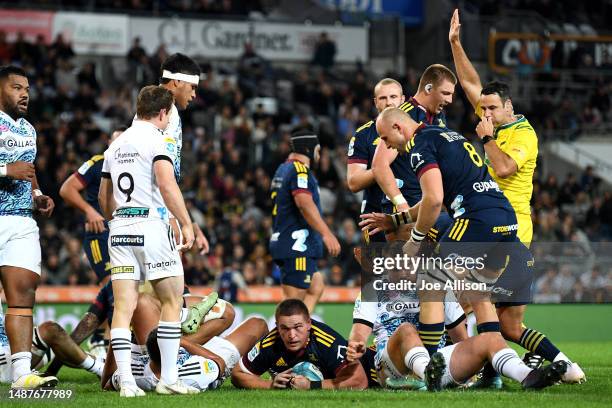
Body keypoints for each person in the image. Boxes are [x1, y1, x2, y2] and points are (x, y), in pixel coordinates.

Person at [449, 9, 584, 385]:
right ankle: (566, 366)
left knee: (462, 297)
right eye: (484, 109)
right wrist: (456, 44)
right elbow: (470, 83)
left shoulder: (523, 135)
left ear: (509, 108)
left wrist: (486, 139)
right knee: (510, 325)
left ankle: (479, 372)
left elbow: (506, 168)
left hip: (511, 229)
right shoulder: (494, 116)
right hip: (493, 225)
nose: (486, 113)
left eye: (493, 108)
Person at [374, 107, 519, 358]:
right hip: (504, 217)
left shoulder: (419, 146)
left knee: (430, 281)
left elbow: (433, 199)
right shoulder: (443, 134)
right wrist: (398, 219)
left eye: (386, 138)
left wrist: (415, 240)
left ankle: (430, 366)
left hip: (476, 219)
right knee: (478, 292)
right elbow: (436, 201)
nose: (387, 146)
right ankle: (493, 368)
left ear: (398, 128)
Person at [99, 85, 196, 397]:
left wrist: (120, 219)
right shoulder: (158, 139)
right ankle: (169, 377)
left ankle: (126, 381)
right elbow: (166, 184)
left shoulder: (115, 145)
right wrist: (186, 222)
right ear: (164, 112)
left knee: (123, 307)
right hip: (151, 227)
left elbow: (104, 198)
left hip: (120, 228)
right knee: (171, 299)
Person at [0, 65, 57, 389]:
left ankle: (21, 373)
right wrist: (6, 170)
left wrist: (37, 194)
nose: (24, 94)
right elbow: (15, 168)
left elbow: (29, 169)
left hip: (21, 219)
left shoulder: (28, 129)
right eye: (16, 88)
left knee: (22, 295)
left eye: (27, 89)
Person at [349, 316, 568, 392]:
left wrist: (473, 359)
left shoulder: (437, 282)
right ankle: (427, 375)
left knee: (490, 337)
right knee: (407, 329)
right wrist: (357, 343)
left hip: (436, 364)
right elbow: (359, 330)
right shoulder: (374, 286)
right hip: (394, 368)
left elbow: (461, 338)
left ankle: (528, 375)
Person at [371, 66, 456, 242]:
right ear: (429, 89)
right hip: (408, 206)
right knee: (406, 266)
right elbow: (379, 165)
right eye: (445, 93)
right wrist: (401, 204)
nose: (450, 100)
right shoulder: (402, 115)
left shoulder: (438, 116)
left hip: (427, 204)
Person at [269, 131, 340, 312]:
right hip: (297, 246)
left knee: (316, 286)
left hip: (285, 240)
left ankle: (301, 331)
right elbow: (304, 203)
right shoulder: (300, 170)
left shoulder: (282, 169)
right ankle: (283, 337)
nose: (319, 155)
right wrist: (327, 234)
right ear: (308, 149)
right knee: (292, 305)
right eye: (317, 150)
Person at [231, 299, 369, 390]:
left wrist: (312, 385)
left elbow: (359, 381)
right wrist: (269, 384)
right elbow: (238, 374)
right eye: (284, 328)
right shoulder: (270, 343)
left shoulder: (327, 341)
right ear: (277, 327)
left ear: (309, 323)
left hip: (373, 368)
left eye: (297, 327)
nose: (292, 335)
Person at [150, 53, 210, 257]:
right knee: (173, 289)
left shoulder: (154, 110)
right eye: (192, 87)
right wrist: (173, 218)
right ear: (176, 81)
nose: (194, 95)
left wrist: (190, 223)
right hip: (155, 215)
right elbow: (163, 180)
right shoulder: (165, 113)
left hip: (151, 213)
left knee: (144, 290)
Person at [59, 127, 127, 286]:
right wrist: (89, 211)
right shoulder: (97, 163)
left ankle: (96, 311)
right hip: (100, 233)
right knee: (111, 286)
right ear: (109, 143)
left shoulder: (137, 166)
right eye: (115, 141)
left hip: (126, 232)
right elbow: (66, 189)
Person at [346, 77, 406, 244]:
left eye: (393, 97)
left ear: (403, 99)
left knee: (419, 269)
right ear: (375, 102)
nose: (389, 102)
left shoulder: (418, 129)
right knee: (379, 270)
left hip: (411, 211)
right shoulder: (363, 135)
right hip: (376, 215)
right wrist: (381, 166)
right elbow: (353, 182)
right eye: (383, 98)